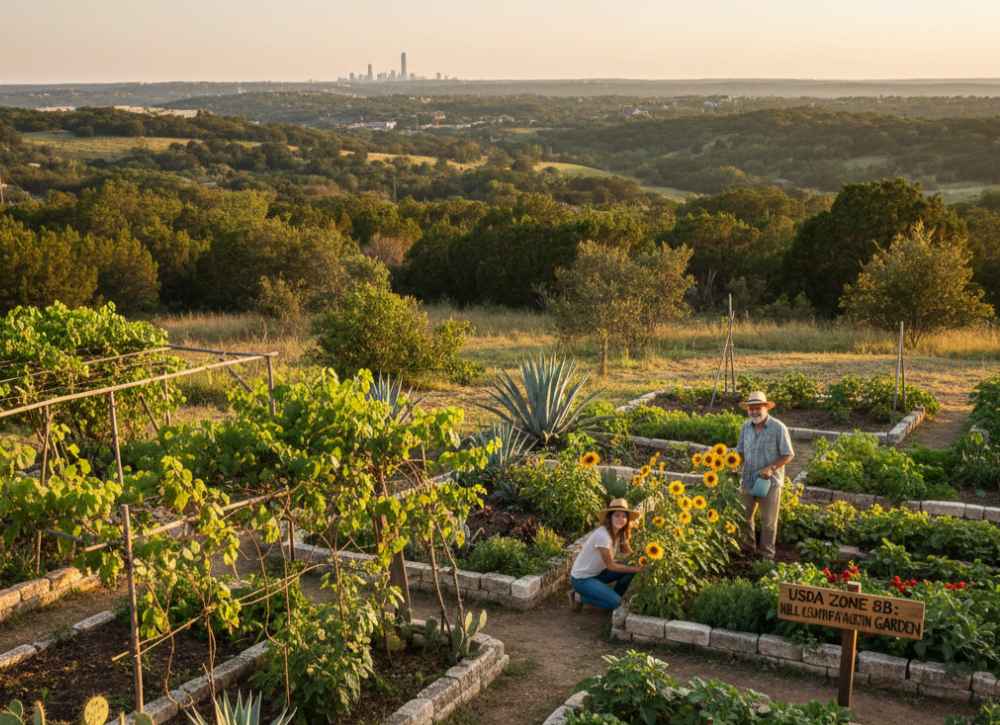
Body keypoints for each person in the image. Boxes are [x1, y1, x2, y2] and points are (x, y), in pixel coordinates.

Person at [735, 391, 794, 560]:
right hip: (747, 480)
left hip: (770, 482)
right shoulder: (746, 427)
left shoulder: (778, 427)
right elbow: (740, 451)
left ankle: (766, 556)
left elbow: (788, 454)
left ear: (765, 408)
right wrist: (733, 464)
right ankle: (748, 550)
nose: (754, 412)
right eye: (750, 409)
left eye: (757, 408)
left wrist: (771, 467)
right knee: (744, 517)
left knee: (768, 522)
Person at [568, 498, 643, 611]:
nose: (621, 519)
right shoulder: (603, 535)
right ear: (610, 517)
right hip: (582, 579)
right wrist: (638, 569)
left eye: (624, 516)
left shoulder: (619, 533)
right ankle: (579, 597)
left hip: (598, 573)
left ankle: (611, 596)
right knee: (617, 604)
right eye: (617, 515)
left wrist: (642, 559)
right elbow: (611, 566)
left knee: (629, 571)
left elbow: (629, 556)